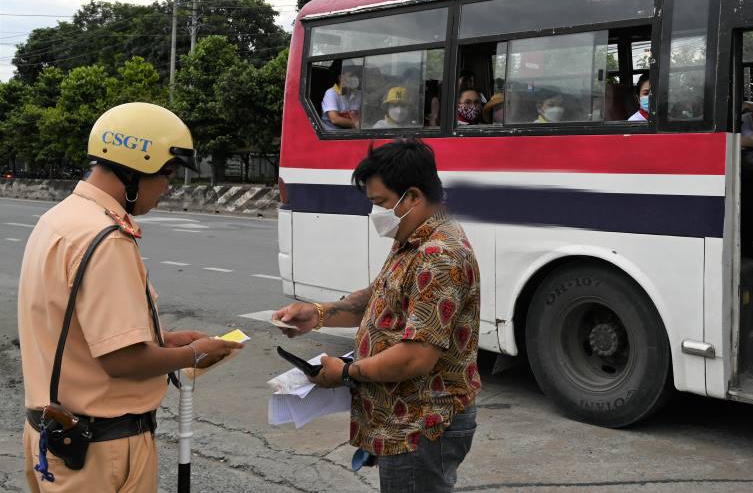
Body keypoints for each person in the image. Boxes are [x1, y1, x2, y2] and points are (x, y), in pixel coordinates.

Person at [18, 102, 243, 492]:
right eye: (167, 175)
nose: (167, 188)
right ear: (135, 171)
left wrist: (163, 340)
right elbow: (123, 360)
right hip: (101, 451)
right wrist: (196, 354)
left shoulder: (59, 219)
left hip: (50, 437)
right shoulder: (107, 239)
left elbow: (70, 331)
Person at [274, 139, 481, 493]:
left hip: (422, 423)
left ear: (413, 197)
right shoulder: (413, 239)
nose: (376, 214)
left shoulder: (439, 255)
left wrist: (346, 373)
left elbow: (415, 357)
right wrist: (318, 314)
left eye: (381, 203)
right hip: (405, 418)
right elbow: (379, 297)